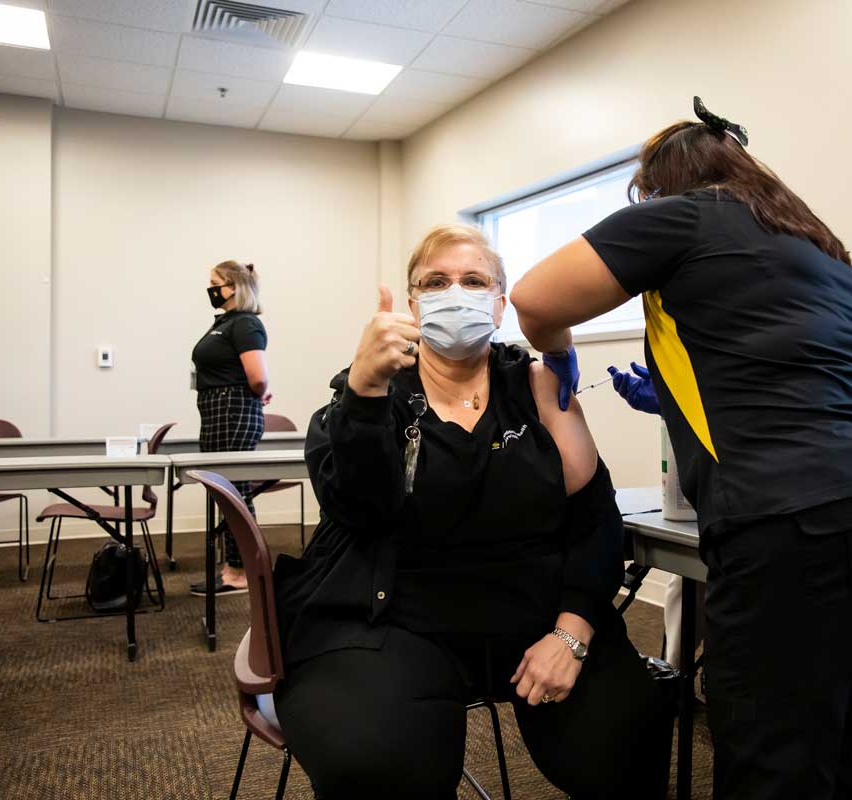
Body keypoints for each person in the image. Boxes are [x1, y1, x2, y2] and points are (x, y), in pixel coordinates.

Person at [511, 98, 852, 800]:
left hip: (796, 517)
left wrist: (555, 351)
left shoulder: (682, 214)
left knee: (771, 749)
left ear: (660, 187)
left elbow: (535, 301)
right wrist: (679, 397)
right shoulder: (821, 247)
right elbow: (790, 363)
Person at [272, 224, 670, 799]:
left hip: (536, 618)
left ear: (501, 302)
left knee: (629, 735)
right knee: (375, 765)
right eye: (436, 282)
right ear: (411, 304)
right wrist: (362, 391)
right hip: (391, 622)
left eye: (474, 280)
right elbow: (356, 509)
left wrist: (574, 630)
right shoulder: (370, 393)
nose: (455, 292)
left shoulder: (537, 386)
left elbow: (594, 519)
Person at [190, 260, 271, 596]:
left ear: (234, 287)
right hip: (217, 409)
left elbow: (258, 377)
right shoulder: (223, 323)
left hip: (232, 410)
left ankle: (241, 571)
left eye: (215, 282)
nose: (210, 289)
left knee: (234, 491)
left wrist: (260, 391)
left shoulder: (245, 323)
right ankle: (231, 568)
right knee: (225, 491)